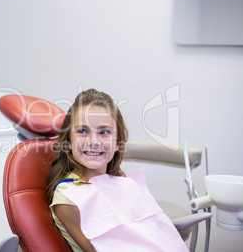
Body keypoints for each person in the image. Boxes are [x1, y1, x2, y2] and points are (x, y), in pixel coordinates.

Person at [46, 89, 189, 252]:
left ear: (117, 143)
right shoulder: (69, 198)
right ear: (69, 141)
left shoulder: (121, 180)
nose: (94, 141)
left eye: (104, 132)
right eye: (82, 131)